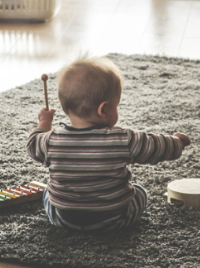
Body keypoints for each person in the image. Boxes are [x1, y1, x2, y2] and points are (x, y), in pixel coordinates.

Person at [27, 55, 191, 232]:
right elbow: (156, 146)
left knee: (47, 192)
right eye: (116, 106)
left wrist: (44, 123)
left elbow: (32, 144)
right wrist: (177, 142)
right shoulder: (123, 139)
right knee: (140, 192)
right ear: (103, 109)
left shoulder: (51, 141)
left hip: (64, 219)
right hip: (114, 219)